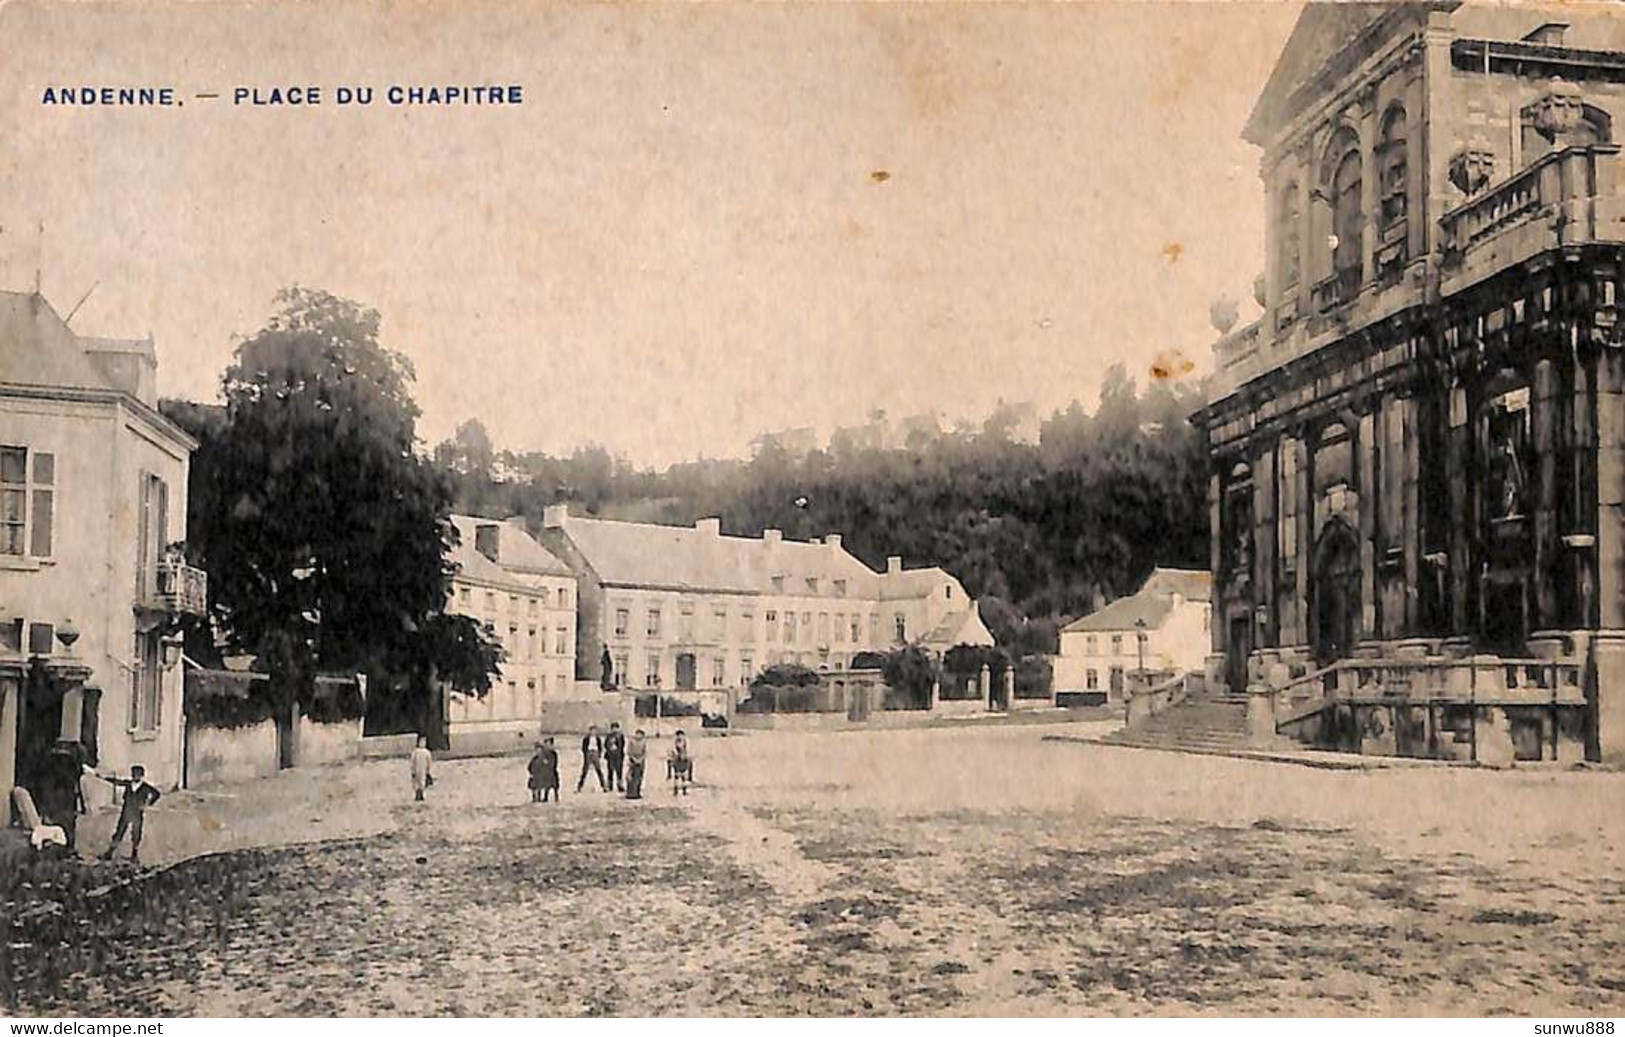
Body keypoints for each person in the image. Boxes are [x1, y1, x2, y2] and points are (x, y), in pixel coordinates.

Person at [99, 764, 161, 865]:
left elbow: (157, 794)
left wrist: (147, 804)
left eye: (137, 774)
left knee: (136, 834)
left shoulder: (145, 787)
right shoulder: (128, 784)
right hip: (126, 811)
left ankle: (134, 855)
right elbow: (117, 782)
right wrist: (103, 778)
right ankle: (109, 853)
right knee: (119, 832)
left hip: (137, 813)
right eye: (133, 774)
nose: (135, 776)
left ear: (142, 775)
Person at [529, 737, 560, 803]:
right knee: (536, 782)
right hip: (539, 774)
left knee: (550, 780)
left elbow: (553, 764)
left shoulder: (553, 754)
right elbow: (531, 766)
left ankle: (549, 796)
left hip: (549, 773)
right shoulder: (537, 757)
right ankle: (537, 797)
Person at [576, 725, 606, 792]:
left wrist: (599, 754)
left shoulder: (598, 739)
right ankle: (579, 787)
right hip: (588, 753)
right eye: (592, 731)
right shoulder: (586, 738)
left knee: (599, 770)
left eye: (594, 731)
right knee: (585, 771)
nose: (593, 732)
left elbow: (600, 747)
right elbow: (583, 747)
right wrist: (585, 754)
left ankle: (604, 786)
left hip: (595, 752)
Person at [602, 722, 626, 793]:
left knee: (619, 771)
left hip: (618, 756)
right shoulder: (609, 736)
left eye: (616, 728)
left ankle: (620, 786)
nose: (615, 730)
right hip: (610, 756)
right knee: (610, 771)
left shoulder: (620, 736)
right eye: (613, 728)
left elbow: (622, 745)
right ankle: (610, 785)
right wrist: (610, 749)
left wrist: (617, 749)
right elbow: (605, 744)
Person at [625, 728, 648, 800]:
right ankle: (630, 793)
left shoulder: (644, 742)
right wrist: (634, 759)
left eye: (640, 735)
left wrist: (640, 759)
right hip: (632, 760)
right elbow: (629, 752)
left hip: (641, 761)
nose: (639, 736)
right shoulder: (631, 741)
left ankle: (637, 792)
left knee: (639, 777)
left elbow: (645, 752)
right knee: (631, 777)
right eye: (638, 734)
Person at [668, 728, 692, 796]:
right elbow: (672, 751)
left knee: (684, 775)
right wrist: (674, 756)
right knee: (677, 775)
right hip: (677, 760)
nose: (680, 737)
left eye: (681, 735)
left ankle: (684, 789)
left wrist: (686, 756)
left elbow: (687, 751)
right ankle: (675, 789)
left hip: (683, 759)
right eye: (679, 735)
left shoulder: (685, 742)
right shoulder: (675, 743)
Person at [410, 736, 434, 802]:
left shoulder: (426, 752)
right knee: (417, 781)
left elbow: (429, 762)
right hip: (417, 768)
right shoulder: (415, 752)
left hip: (423, 769)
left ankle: (421, 794)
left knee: (422, 781)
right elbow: (412, 762)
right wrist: (412, 770)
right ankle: (418, 794)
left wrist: (428, 771)